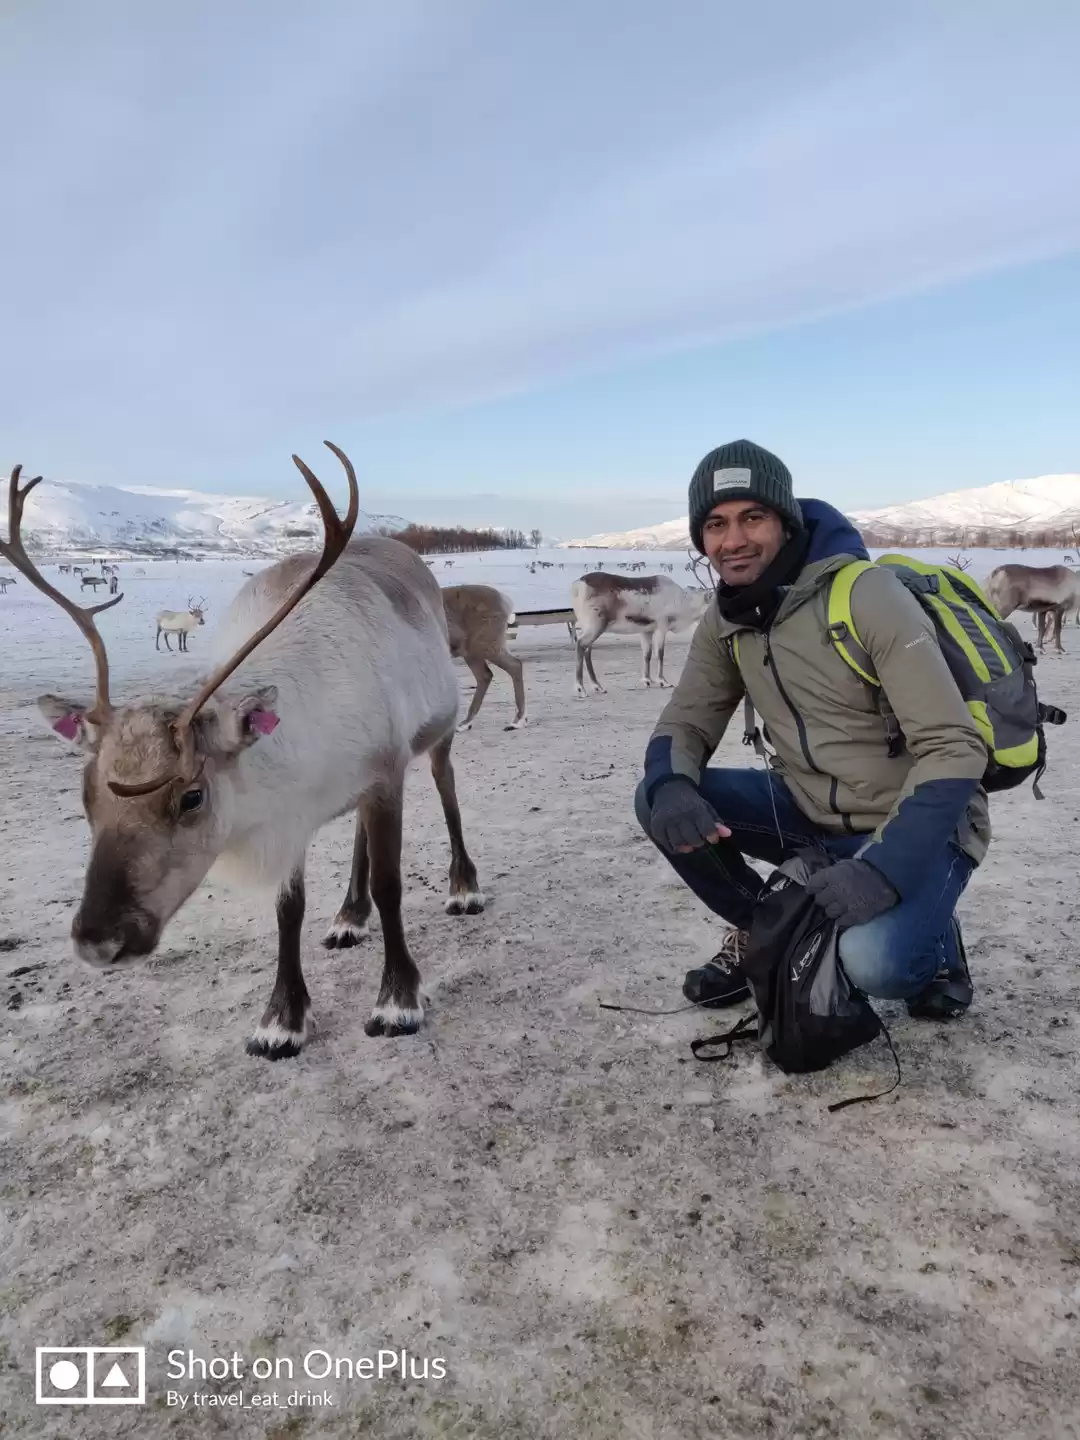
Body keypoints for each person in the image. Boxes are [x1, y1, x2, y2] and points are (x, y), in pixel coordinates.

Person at [635, 439, 989, 1018]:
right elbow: (687, 718)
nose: (734, 540)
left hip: (916, 821)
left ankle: (938, 948)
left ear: (786, 522)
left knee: (877, 964)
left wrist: (882, 870)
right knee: (658, 798)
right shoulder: (727, 619)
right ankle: (769, 932)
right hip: (809, 810)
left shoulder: (864, 594)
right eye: (716, 524)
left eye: (753, 517)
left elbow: (954, 748)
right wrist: (670, 784)